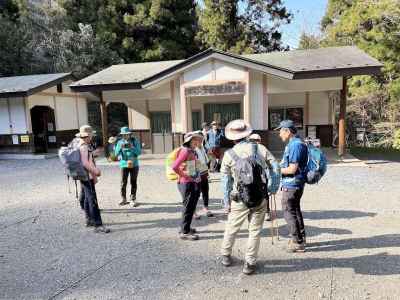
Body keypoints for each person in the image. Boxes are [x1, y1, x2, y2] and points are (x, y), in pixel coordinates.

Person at [220, 120, 275, 275]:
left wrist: (226, 202)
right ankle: (249, 263)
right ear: (248, 133)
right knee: (255, 230)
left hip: (239, 197)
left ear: (232, 137)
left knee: (232, 227)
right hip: (259, 196)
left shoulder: (228, 155)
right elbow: (275, 168)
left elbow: (225, 181)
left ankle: (225, 255)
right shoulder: (260, 148)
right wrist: (272, 188)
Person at [276, 120, 308, 253]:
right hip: (297, 183)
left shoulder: (295, 145)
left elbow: (292, 169)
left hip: (292, 184)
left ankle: (297, 242)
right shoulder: (298, 143)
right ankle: (301, 238)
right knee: (295, 210)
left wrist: (275, 170)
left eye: (280, 131)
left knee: (288, 211)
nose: (279, 134)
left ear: (288, 131)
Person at [76, 125, 110, 233]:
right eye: (90, 136)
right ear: (87, 136)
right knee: (92, 200)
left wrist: (93, 154)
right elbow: (85, 163)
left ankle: (88, 219)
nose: (91, 137)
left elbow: (86, 159)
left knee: (86, 197)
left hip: (83, 175)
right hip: (87, 176)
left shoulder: (80, 145)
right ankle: (98, 224)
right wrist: (96, 171)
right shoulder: (84, 147)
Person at [172, 131, 203, 241]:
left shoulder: (192, 151)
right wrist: (187, 176)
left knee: (191, 207)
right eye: (194, 140)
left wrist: (197, 175)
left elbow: (192, 166)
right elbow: (174, 166)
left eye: (198, 140)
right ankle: (184, 232)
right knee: (188, 207)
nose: (197, 141)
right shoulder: (185, 151)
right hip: (186, 183)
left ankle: (186, 228)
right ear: (189, 141)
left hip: (191, 182)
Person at [114, 127, 141, 206]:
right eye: (123, 135)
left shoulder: (135, 141)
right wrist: (120, 148)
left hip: (134, 164)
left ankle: (132, 199)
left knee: (133, 182)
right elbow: (116, 154)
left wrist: (132, 147)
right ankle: (123, 199)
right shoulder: (119, 142)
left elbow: (139, 152)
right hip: (123, 164)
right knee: (123, 182)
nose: (125, 136)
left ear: (129, 134)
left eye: (126, 134)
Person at [194, 130, 214, 218]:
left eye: (202, 139)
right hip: (197, 175)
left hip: (204, 173)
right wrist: (194, 177)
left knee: (205, 191)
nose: (201, 141)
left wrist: (207, 173)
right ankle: (193, 211)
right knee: (196, 194)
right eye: (199, 139)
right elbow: (191, 165)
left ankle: (206, 208)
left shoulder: (203, 148)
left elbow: (205, 162)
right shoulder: (193, 149)